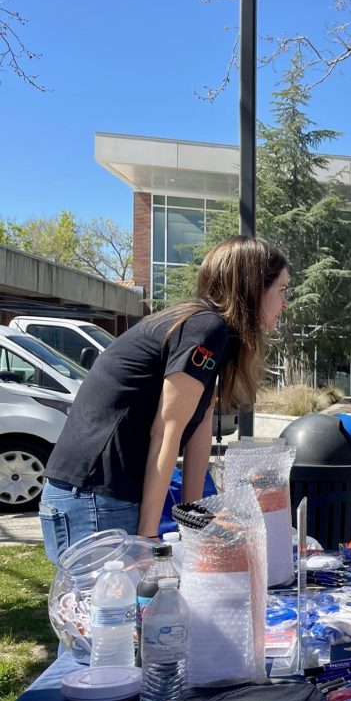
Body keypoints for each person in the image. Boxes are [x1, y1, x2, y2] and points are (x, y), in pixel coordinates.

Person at [40, 235, 288, 564]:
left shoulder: (212, 332)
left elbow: (197, 426)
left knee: (129, 611)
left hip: (96, 494)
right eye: (282, 291)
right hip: (95, 497)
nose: (286, 303)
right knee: (115, 613)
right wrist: (147, 538)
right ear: (253, 287)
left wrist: (196, 521)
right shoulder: (205, 327)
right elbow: (167, 431)